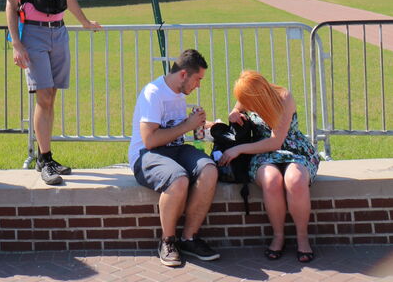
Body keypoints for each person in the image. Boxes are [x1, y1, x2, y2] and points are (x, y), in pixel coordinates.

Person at [4, 0, 101, 185]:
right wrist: (17, 45)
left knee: (51, 96)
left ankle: (44, 157)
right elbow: (11, 5)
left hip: (59, 32)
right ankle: (44, 158)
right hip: (33, 34)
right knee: (43, 96)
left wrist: (84, 22)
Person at [128, 49, 220, 267]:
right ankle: (168, 242)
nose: (198, 85)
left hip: (175, 150)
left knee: (209, 170)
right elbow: (149, 140)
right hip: (147, 155)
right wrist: (186, 125)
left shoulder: (178, 93)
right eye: (197, 79)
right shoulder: (153, 93)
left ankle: (189, 238)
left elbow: (176, 129)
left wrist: (201, 126)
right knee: (178, 179)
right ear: (183, 75)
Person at [220, 69, 320, 263]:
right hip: (261, 152)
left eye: (249, 102)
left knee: (296, 180)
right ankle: (278, 235)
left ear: (257, 95)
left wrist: (239, 149)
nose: (247, 106)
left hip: (293, 149)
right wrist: (233, 114)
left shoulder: (284, 98)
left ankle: (302, 237)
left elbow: (276, 142)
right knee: (271, 180)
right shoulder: (246, 97)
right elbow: (237, 109)